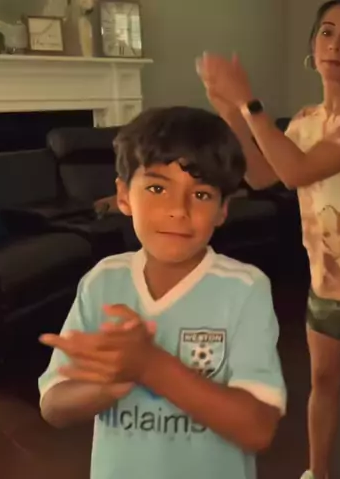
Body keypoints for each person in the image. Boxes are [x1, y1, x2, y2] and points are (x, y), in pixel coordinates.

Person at [196, 1, 340, 478]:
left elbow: (295, 172)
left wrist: (249, 103)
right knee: (322, 382)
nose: (335, 44)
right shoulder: (305, 120)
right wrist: (231, 111)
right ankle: (318, 473)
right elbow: (261, 175)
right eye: (327, 33)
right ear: (313, 46)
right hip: (327, 279)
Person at [36, 106, 287, 479]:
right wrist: (111, 383)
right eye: (157, 188)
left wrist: (150, 366)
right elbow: (54, 406)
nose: (178, 210)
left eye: (201, 194)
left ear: (223, 210)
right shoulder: (102, 282)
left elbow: (258, 428)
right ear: (123, 196)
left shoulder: (245, 289)